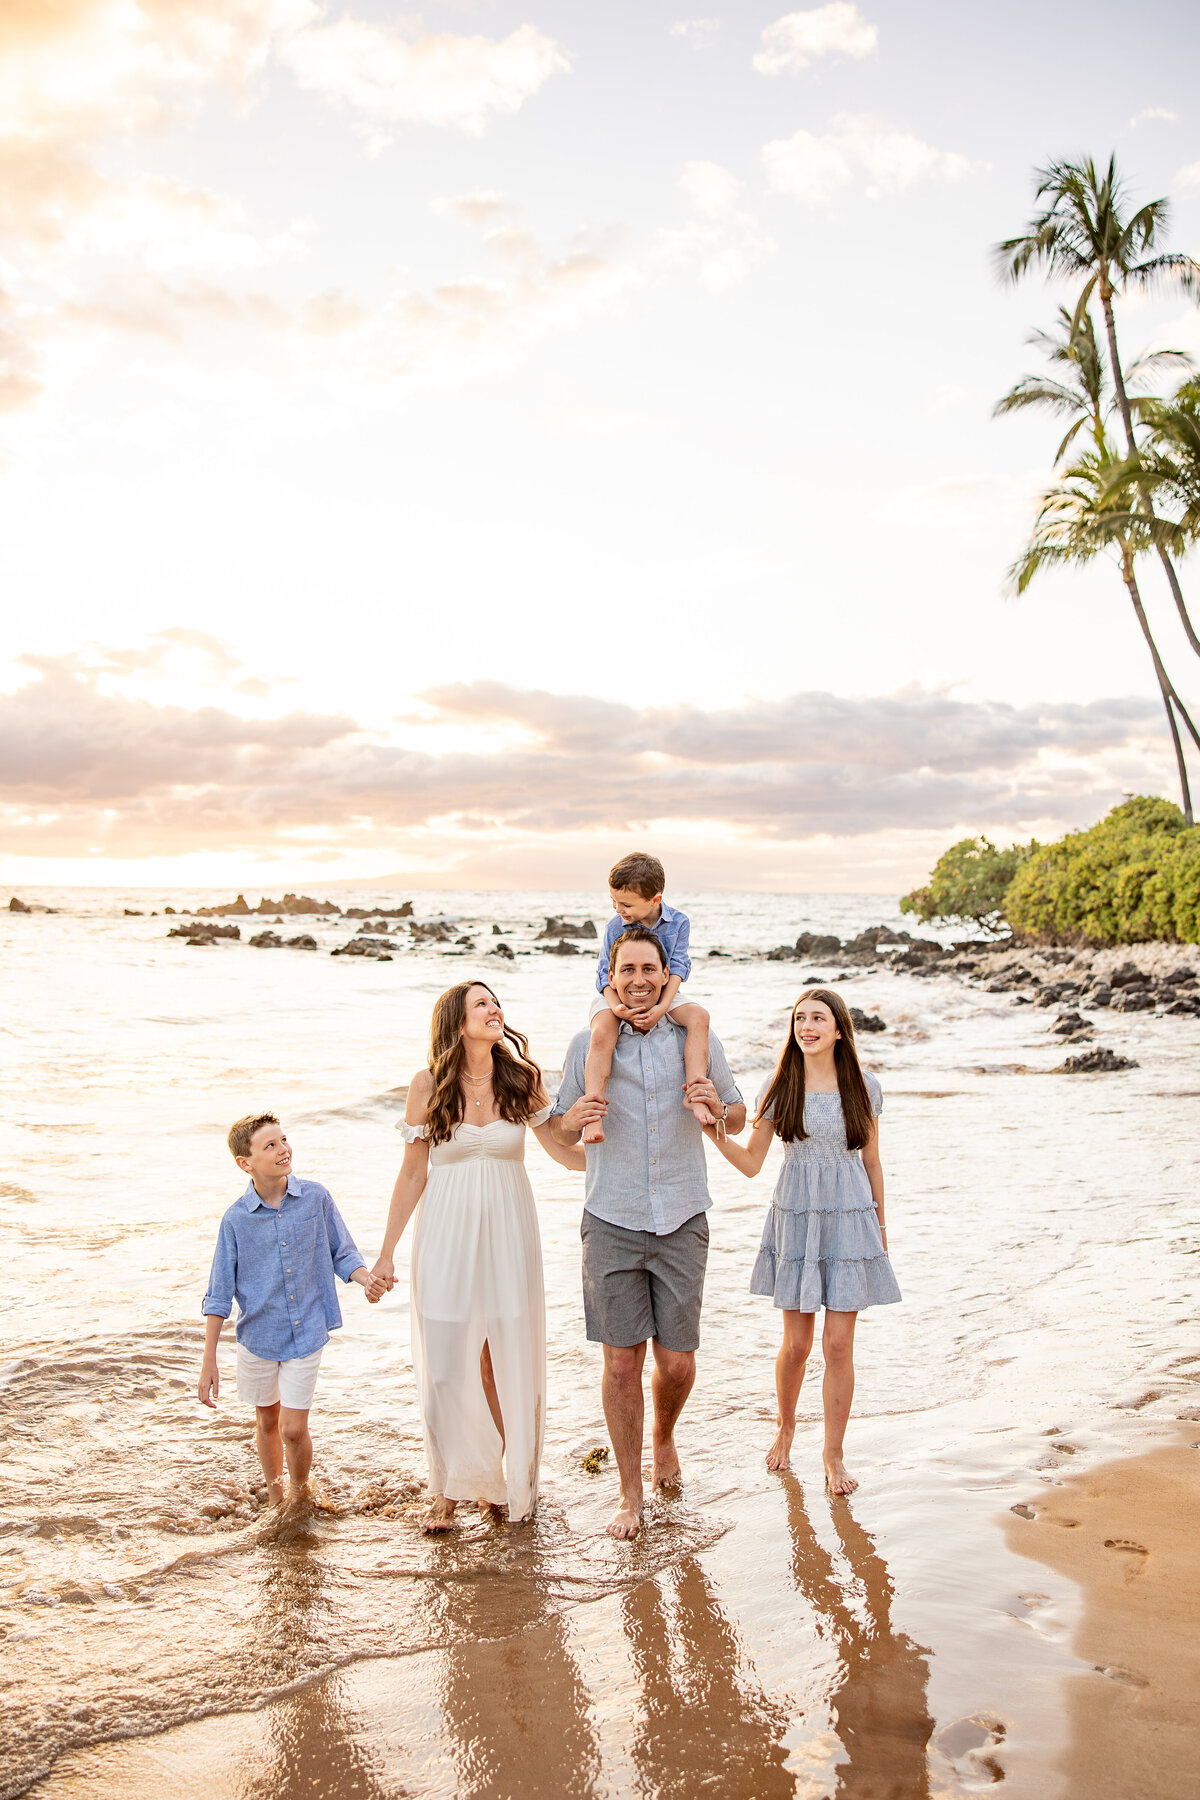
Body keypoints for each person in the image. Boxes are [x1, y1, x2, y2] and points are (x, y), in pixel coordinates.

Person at [551, 927, 746, 1538]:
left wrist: (717, 1101)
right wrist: (572, 1120)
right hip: (610, 1215)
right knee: (618, 1363)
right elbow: (558, 1128)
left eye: (648, 968)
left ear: (666, 976)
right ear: (610, 978)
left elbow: (738, 1114)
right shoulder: (587, 1042)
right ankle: (629, 1493)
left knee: (679, 1362)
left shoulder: (695, 1038)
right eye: (625, 969)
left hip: (683, 1215)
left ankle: (664, 1435)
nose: (637, 979)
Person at [370, 982, 585, 1532]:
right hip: (445, 1230)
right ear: (456, 1022)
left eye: (496, 1003)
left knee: (502, 1358)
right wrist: (387, 1252)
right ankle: (445, 1486)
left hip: (510, 1231)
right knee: (447, 1360)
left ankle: (498, 1481)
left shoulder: (522, 1079)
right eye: (481, 1004)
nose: (495, 1010)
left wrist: (625, 1159)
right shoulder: (428, 1085)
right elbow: (414, 1173)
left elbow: (562, 1151)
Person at [706, 988, 900, 1496]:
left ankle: (833, 1453)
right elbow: (751, 1164)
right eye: (799, 1018)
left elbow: (873, 1162)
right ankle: (786, 1426)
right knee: (797, 1344)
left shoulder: (864, 1086)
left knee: (838, 1344)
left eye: (818, 1017)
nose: (807, 1025)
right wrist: (714, 1134)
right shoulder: (780, 1087)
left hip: (851, 1219)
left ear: (839, 1029)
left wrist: (880, 1227)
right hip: (797, 1217)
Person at [198, 1114, 379, 1509]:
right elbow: (219, 1294)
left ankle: (299, 1496)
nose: (283, 1150)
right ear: (245, 1163)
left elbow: (343, 1252)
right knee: (267, 1420)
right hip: (259, 1337)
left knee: (294, 1428)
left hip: (308, 1329)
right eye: (270, 1145)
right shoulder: (235, 1221)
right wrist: (209, 1359)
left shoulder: (316, 1197)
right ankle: (277, 1496)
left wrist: (366, 1280)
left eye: (283, 1140)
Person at [582, 851, 712, 1144]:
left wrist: (662, 1007)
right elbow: (605, 972)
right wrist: (615, 1006)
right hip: (616, 992)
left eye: (626, 904)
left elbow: (678, 967)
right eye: (613, 902)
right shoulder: (615, 926)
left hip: (663, 990)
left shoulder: (678, 922)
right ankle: (593, 1116)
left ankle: (697, 1093)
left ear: (655, 899)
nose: (618, 909)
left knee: (700, 1017)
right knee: (602, 1031)